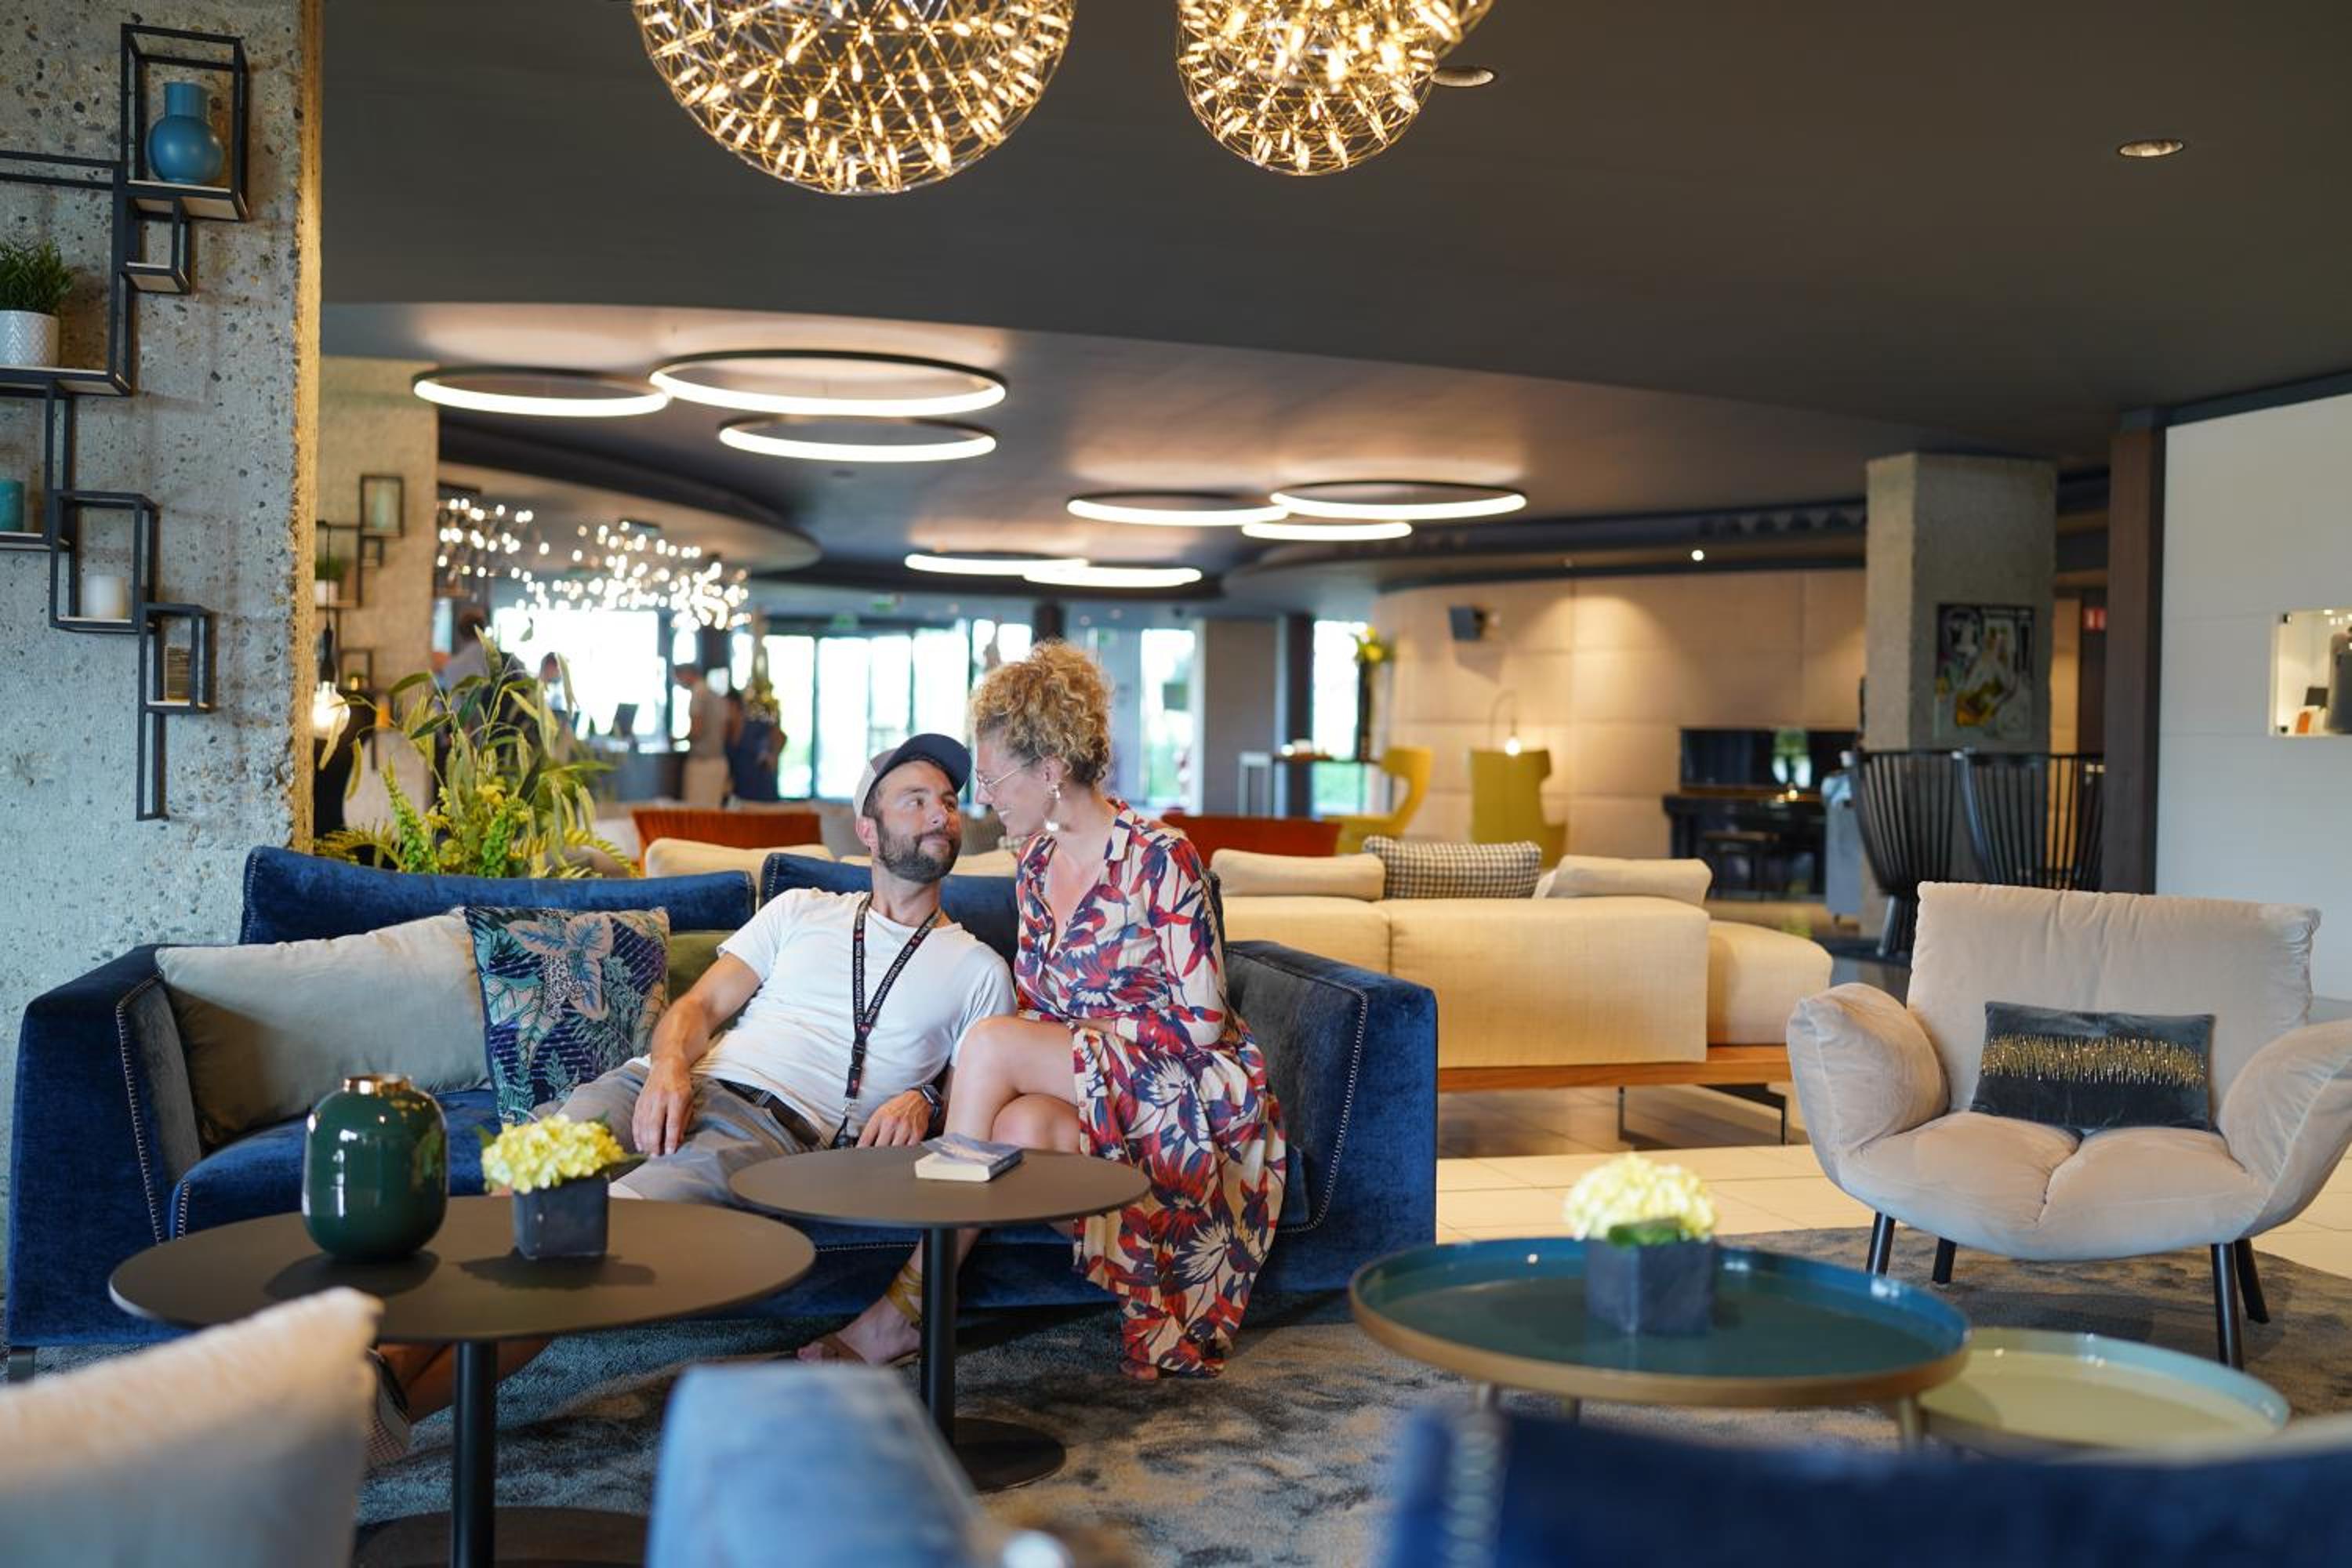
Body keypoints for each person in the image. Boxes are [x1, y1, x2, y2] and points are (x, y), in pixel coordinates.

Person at [368, 735, 1014, 1456]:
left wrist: (924, 1096)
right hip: (662, 1082)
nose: (940, 814)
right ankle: (376, 1392)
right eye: (916, 800)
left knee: (573, 1246)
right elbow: (698, 1008)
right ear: (868, 828)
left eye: (948, 802)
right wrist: (669, 1067)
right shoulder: (801, 910)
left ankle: (377, 1400)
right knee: (520, 1187)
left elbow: (979, 1100)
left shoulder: (978, 968)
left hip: (766, 1132)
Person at [812, 644, 1287, 1379]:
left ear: (1051, 769)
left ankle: (906, 1307)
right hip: (1096, 1080)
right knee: (1019, 1131)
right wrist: (1062, 1040)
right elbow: (1037, 1003)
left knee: (993, 1045)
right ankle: (1148, 1286)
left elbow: (1200, 1023)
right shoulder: (1034, 862)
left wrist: (1085, 1034)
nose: (983, 798)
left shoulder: (1160, 857)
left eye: (994, 777)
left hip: (1190, 1084)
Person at [679, 663, 731, 807]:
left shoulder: (698, 693)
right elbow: (725, 730)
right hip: (719, 763)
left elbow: (696, 730)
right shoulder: (715, 694)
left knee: (697, 813)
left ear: (688, 674)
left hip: (702, 764)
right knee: (712, 813)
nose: (679, 683)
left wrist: (678, 739)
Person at [725, 688, 783, 803]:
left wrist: (773, 756)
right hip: (741, 792)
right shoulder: (726, 732)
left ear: (734, 706)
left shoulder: (754, 725)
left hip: (762, 789)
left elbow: (780, 736)